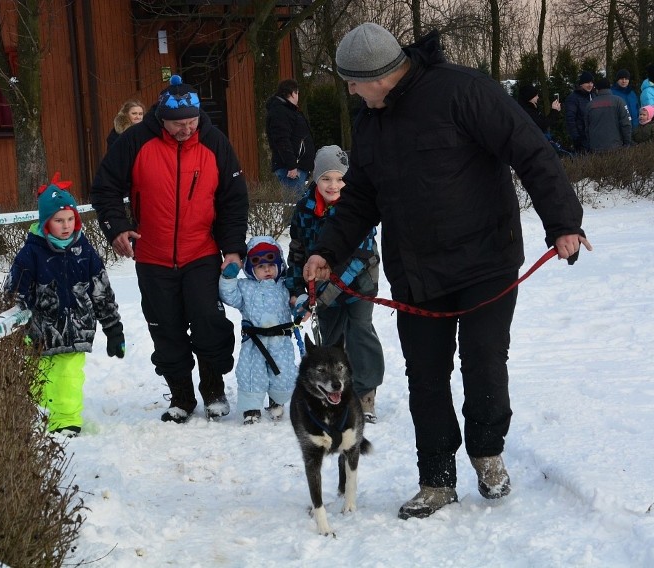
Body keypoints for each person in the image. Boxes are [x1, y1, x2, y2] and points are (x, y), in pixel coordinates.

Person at [303, 22, 591, 520]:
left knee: (484, 360)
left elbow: (530, 149)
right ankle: (436, 478)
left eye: (352, 81)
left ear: (381, 74)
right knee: (426, 376)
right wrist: (328, 250)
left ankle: (486, 451)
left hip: (486, 259)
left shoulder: (463, 91)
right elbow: (362, 198)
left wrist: (563, 221)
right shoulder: (370, 121)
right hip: (417, 272)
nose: (348, 90)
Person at [91, 74, 249, 424]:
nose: (186, 129)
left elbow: (233, 200)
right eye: (178, 124)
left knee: (208, 321)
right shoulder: (135, 141)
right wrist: (116, 228)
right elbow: (104, 188)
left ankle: (213, 389)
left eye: (192, 121)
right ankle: (181, 395)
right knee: (165, 326)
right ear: (161, 119)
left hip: (202, 252)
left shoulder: (214, 142)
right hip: (153, 256)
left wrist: (234, 249)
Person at [5, 173, 125, 438]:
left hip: (77, 331)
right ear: (46, 222)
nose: (66, 225)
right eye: (59, 220)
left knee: (70, 378)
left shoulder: (85, 251)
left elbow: (101, 291)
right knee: (43, 379)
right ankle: (43, 418)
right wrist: (17, 329)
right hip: (41, 333)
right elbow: (14, 294)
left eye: (71, 219)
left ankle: (66, 421)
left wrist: (113, 328)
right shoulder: (31, 254)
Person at [285, 145, 385, 423]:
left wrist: (321, 298)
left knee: (359, 332)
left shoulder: (357, 207)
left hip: (359, 283)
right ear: (316, 179)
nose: (333, 185)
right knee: (330, 343)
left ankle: (364, 392)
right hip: (321, 288)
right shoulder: (304, 210)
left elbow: (359, 257)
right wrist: (296, 291)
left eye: (340, 179)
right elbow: (297, 252)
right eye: (326, 178)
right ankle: (332, 392)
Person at [219, 236, 298, 425]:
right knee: (251, 374)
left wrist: (300, 303)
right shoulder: (246, 288)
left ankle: (277, 401)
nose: (267, 270)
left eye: (271, 265)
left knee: (284, 373)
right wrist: (228, 278)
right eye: (261, 267)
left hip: (281, 341)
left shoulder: (285, 285)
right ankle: (251, 408)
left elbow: (297, 299)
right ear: (250, 269)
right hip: (255, 343)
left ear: (280, 265)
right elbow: (229, 295)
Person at [266, 78, 316, 200]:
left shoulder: (288, 110)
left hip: (298, 166)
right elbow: (281, 139)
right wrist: (291, 165)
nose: (298, 96)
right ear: (293, 93)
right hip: (291, 170)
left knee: (297, 206)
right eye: (297, 93)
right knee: (293, 207)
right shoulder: (281, 111)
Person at [585, 77, 632, 152]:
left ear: (597, 89)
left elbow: (587, 128)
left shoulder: (590, 105)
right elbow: (626, 124)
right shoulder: (619, 101)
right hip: (616, 146)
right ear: (609, 87)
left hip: (596, 148)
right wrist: (627, 143)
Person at [564, 71, 596, 153]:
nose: (590, 85)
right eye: (587, 82)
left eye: (592, 82)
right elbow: (570, 119)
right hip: (581, 138)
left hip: (594, 136)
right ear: (581, 84)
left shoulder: (593, 95)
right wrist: (576, 137)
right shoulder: (573, 98)